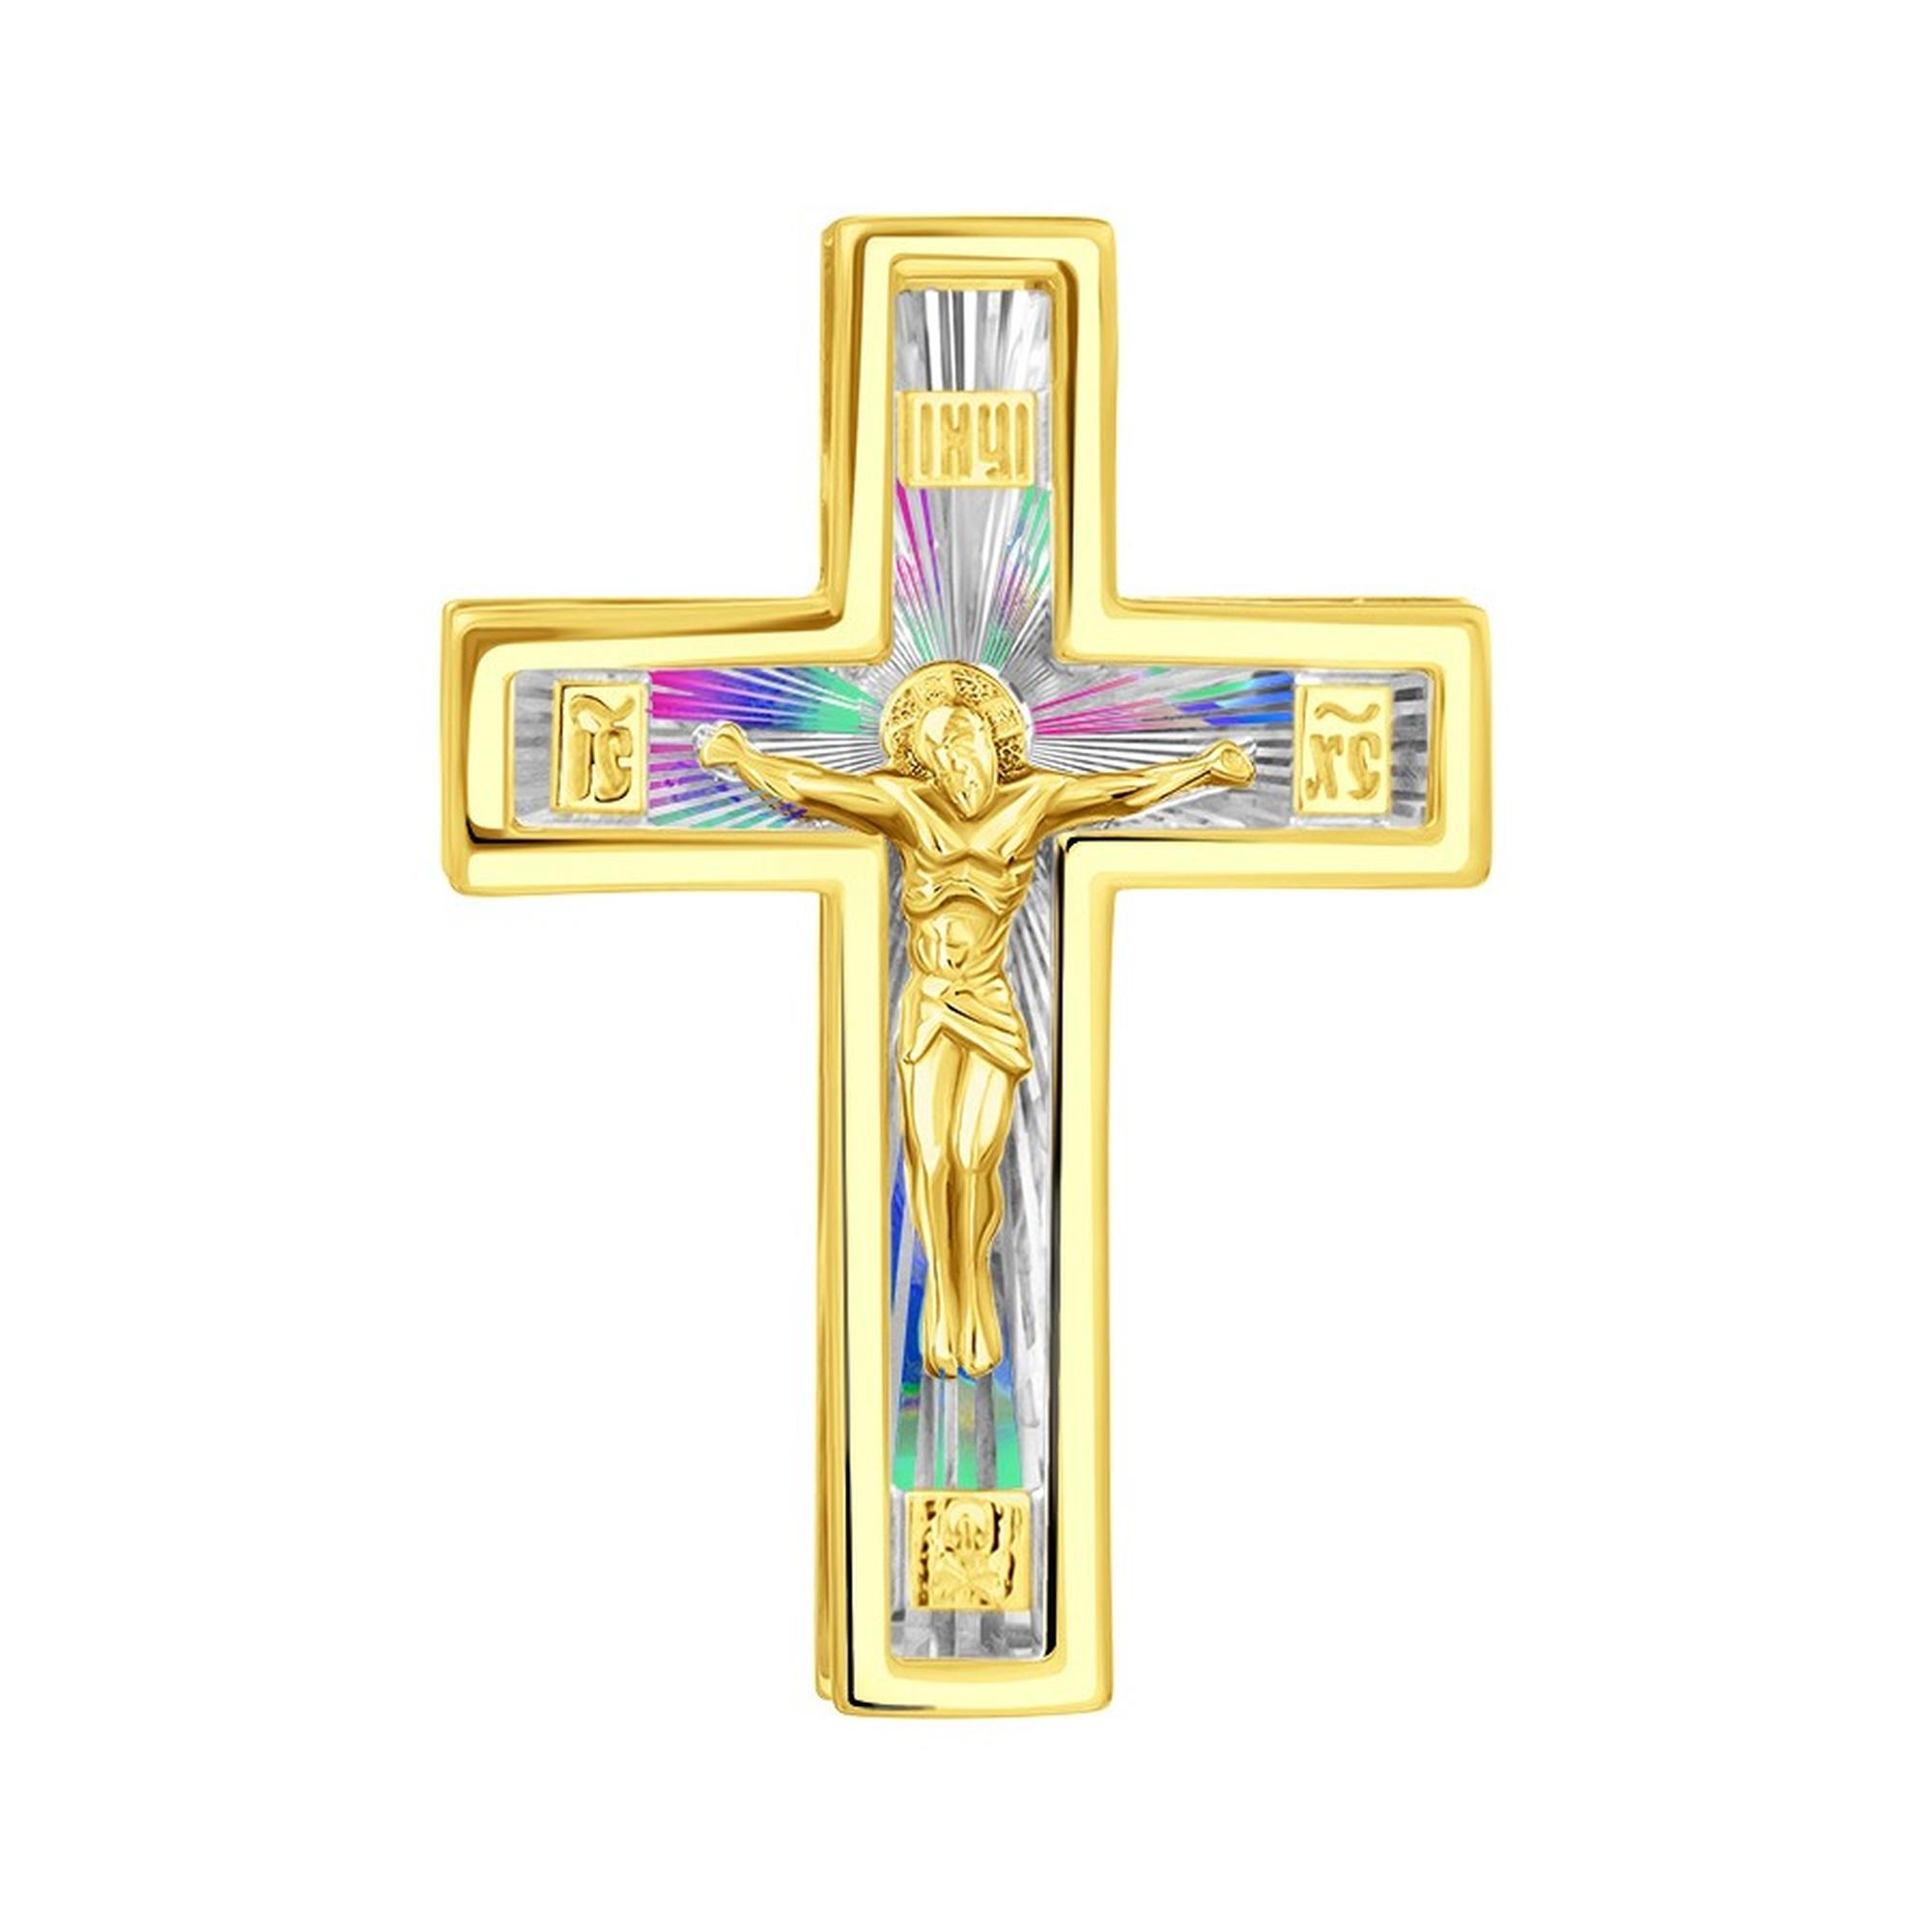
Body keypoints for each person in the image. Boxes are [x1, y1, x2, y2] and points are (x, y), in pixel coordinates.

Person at [700, 660, 1254, 1378]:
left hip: (989, 1003)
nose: (954, 754)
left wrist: (1203, 769)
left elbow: (1123, 792)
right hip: (931, 1002)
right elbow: (813, 789)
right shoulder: (906, 805)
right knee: (931, 1161)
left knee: (972, 1154)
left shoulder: (1034, 801)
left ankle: (978, 1298)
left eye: (963, 736)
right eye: (937, 745)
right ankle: (945, 1300)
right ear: (922, 757)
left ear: (994, 739)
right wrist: (743, 759)